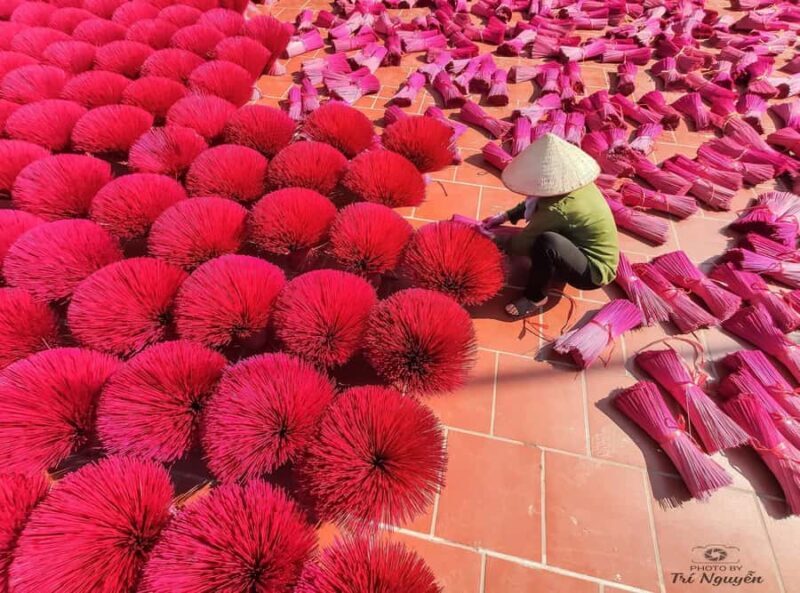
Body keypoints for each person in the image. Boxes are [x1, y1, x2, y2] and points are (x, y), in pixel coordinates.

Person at [482, 133, 619, 319]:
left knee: (547, 243)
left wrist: (492, 239)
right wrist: (505, 216)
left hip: (593, 270)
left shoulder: (559, 208)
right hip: (577, 246)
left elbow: (521, 245)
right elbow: (537, 200)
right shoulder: (574, 183)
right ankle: (558, 263)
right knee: (547, 239)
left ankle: (535, 297)